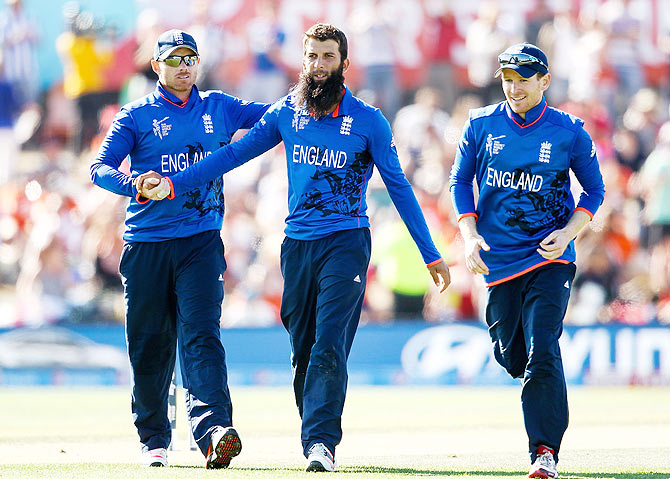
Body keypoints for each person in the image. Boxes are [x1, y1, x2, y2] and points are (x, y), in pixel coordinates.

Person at [136, 23, 451, 472]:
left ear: (344, 64)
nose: (318, 66)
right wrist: (173, 183)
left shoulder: (368, 120)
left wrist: (430, 252)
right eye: (311, 57)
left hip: (346, 240)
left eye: (327, 57)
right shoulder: (289, 111)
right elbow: (232, 156)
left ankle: (321, 442)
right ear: (302, 61)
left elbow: (398, 186)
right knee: (303, 349)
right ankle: (314, 432)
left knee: (328, 343)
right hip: (297, 245)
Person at [89, 29, 269, 469]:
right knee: (150, 343)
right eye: (174, 59)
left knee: (203, 334)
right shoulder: (135, 115)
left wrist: (317, 94)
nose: (184, 66)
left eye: (190, 58)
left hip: (201, 241)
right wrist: (134, 184)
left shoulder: (220, 107)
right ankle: (154, 439)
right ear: (156, 66)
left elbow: (278, 115)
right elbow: (99, 167)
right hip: (147, 245)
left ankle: (214, 433)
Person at [449, 43, 605, 478]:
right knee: (512, 356)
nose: (514, 88)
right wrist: (469, 234)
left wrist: (569, 232)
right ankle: (537, 388)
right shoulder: (481, 125)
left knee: (542, 351)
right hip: (499, 260)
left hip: (550, 257)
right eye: (508, 79)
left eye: (523, 79)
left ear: (544, 81)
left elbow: (594, 191)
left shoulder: (569, 131)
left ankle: (544, 452)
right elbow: (460, 180)